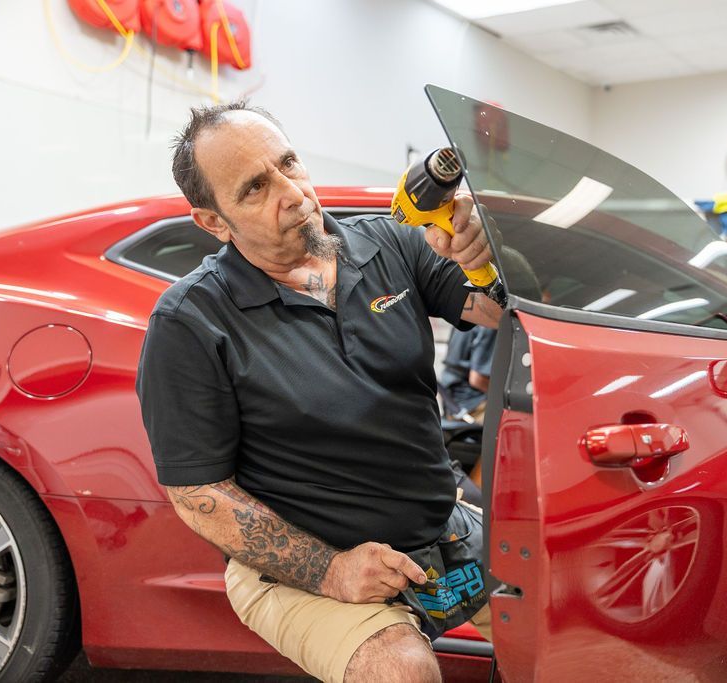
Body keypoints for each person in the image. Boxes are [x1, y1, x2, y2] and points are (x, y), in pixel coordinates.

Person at [135, 101, 502, 683]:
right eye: (256, 188)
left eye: (289, 163)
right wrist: (331, 570)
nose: (294, 193)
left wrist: (483, 258)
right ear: (213, 221)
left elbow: (499, 315)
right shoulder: (190, 320)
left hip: (438, 524)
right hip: (305, 561)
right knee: (400, 671)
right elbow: (197, 492)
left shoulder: (392, 243)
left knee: (574, 631)